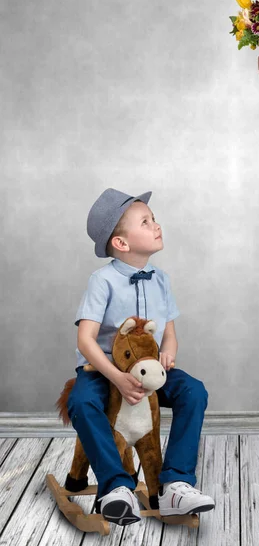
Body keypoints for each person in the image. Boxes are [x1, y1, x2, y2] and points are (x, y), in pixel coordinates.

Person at [67, 188, 215, 525]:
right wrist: (117, 378)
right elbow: (86, 340)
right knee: (82, 401)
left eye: (154, 218)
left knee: (194, 391)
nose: (156, 224)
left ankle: (175, 483)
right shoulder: (102, 281)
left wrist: (168, 354)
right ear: (121, 243)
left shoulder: (161, 279)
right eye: (146, 221)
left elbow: (170, 333)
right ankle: (116, 486)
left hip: (150, 373)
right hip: (105, 371)